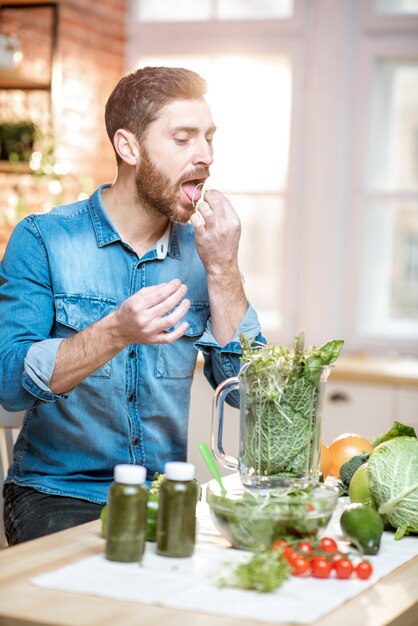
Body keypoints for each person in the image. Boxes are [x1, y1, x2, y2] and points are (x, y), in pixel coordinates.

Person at [0, 66, 263, 545]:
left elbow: (251, 399)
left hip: (165, 496)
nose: (204, 156)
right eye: (183, 138)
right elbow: (10, 386)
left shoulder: (206, 252)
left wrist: (224, 269)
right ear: (128, 147)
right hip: (60, 494)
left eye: (208, 138)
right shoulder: (43, 239)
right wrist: (114, 331)